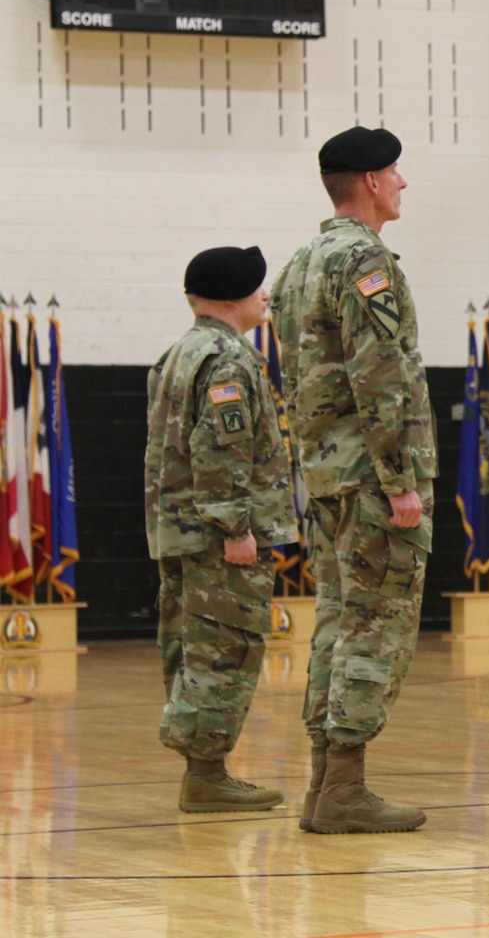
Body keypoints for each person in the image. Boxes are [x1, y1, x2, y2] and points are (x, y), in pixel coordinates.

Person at [271, 126, 438, 834]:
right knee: (377, 626)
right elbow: (379, 375)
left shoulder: (300, 262)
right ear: (370, 181)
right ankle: (343, 788)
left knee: (338, 623)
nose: (403, 183)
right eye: (396, 172)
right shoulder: (367, 262)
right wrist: (399, 478)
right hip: (373, 478)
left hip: (327, 475)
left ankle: (323, 785)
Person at [145, 246, 296, 812]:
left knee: (192, 649)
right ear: (232, 297)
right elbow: (220, 449)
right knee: (224, 650)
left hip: (181, 530)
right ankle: (207, 776)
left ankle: (204, 769)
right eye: (258, 287)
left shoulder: (177, 354)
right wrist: (235, 526)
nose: (266, 296)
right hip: (217, 536)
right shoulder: (227, 359)